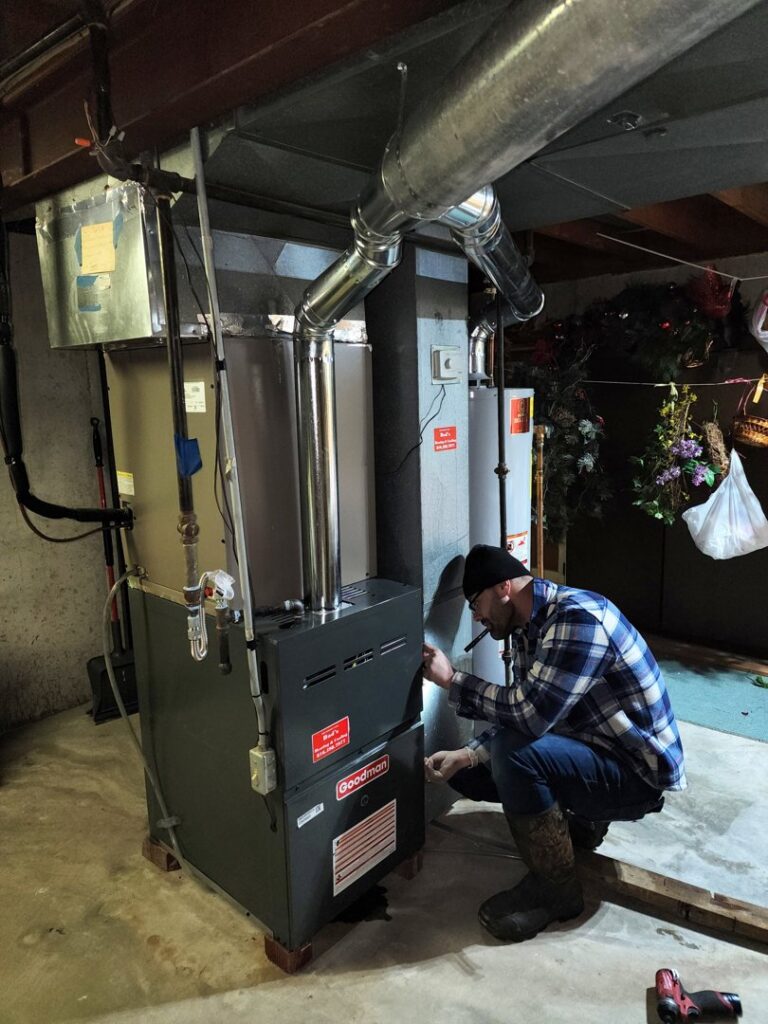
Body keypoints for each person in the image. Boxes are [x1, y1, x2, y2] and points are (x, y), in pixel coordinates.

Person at [422, 543, 686, 943]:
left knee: (514, 756)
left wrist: (452, 680)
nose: (477, 617)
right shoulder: (532, 627)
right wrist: (469, 754)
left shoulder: (578, 619)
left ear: (504, 588)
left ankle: (555, 891)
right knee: (472, 773)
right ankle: (581, 826)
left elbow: (530, 716)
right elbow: (526, 714)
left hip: (636, 775)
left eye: (476, 604)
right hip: (599, 747)